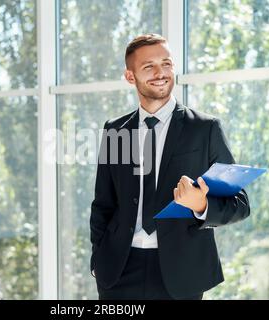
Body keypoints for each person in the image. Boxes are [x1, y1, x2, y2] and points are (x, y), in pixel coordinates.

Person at [90, 33, 250, 300]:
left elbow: (240, 204)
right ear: (130, 76)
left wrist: (202, 204)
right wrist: (98, 259)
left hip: (181, 273)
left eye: (166, 63)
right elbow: (103, 203)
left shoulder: (204, 129)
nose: (160, 73)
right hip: (118, 270)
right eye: (148, 66)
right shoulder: (116, 130)